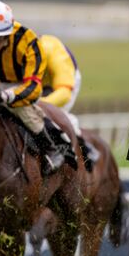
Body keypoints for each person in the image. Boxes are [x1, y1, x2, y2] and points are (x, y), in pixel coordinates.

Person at [0, 0, 65, 175]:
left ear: (7, 35)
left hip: (17, 85)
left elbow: (34, 87)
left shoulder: (29, 42)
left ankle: (51, 149)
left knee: (23, 110)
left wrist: (8, 96)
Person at [39, 34, 99, 169]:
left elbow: (64, 94)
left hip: (65, 83)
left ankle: (86, 148)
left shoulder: (53, 51)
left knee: (55, 113)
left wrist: (39, 104)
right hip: (37, 83)